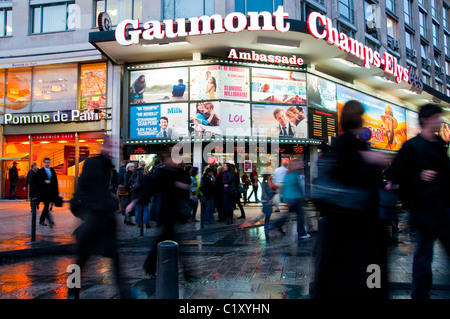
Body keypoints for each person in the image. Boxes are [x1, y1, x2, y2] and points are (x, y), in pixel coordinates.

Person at [312, 100, 389, 299]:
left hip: (338, 228)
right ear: (359, 119)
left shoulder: (339, 147)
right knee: (365, 278)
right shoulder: (356, 149)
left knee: (338, 277)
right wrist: (370, 159)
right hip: (361, 228)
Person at [386, 103, 450, 299]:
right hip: (423, 210)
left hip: (442, 209)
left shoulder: (439, 145)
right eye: (436, 118)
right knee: (423, 255)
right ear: (425, 120)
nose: (440, 121)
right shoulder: (411, 147)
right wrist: (418, 175)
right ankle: (420, 294)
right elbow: (393, 172)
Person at [68, 135, 130, 299]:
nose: (114, 150)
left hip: (106, 220)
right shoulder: (93, 163)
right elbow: (83, 187)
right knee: (81, 258)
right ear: (104, 146)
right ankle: (72, 291)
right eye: (112, 146)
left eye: (117, 147)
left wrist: (109, 195)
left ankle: (125, 294)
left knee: (113, 259)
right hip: (95, 218)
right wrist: (86, 208)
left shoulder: (106, 166)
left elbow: (98, 188)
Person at [126, 153, 190, 278]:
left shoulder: (179, 172)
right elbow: (151, 189)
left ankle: (150, 267)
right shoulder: (162, 173)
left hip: (176, 212)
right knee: (171, 242)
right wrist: (135, 201)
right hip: (167, 214)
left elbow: (186, 185)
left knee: (167, 241)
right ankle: (187, 272)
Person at [282, 159, 310, 239]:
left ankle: (275, 226)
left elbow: (286, 187)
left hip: (293, 198)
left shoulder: (290, 174)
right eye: (298, 163)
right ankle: (301, 233)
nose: (301, 165)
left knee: (289, 215)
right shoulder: (293, 174)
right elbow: (294, 187)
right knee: (299, 215)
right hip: (294, 198)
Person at [35, 158, 59, 227]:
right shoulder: (40, 171)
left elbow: (55, 181)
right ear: (43, 163)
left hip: (50, 192)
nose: (48, 164)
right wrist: (44, 181)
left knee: (47, 206)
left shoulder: (52, 170)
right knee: (46, 206)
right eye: (46, 162)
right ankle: (49, 221)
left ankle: (43, 220)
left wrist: (56, 192)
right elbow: (36, 181)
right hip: (43, 192)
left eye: (49, 162)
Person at [132, 161, 150, 229]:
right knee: (146, 209)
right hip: (145, 194)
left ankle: (139, 223)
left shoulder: (136, 172)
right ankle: (147, 224)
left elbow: (130, 181)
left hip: (137, 193)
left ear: (139, 165)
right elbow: (150, 184)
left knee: (137, 209)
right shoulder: (147, 173)